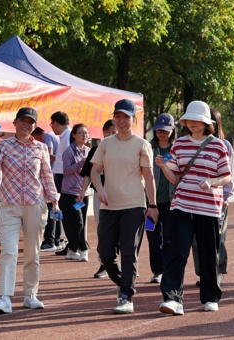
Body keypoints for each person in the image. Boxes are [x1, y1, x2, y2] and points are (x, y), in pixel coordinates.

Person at [156, 100, 231, 315]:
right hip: (182, 205)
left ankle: (210, 297)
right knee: (175, 252)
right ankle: (172, 299)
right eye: (189, 120)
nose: (193, 123)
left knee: (208, 254)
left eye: (197, 120)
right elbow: (175, 177)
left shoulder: (218, 145)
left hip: (208, 207)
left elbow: (226, 176)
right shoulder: (178, 145)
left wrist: (212, 182)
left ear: (206, 122)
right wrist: (163, 167)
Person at [0, 107, 59, 314]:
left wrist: (54, 201)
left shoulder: (41, 148)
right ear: (15, 123)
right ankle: (5, 297)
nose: (27, 124)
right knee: (8, 251)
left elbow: (46, 176)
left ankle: (30, 295)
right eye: (23, 121)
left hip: (35, 204)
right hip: (10, 205)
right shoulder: (4, 146)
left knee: (32, 252)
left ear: (35, 125)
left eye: (31, 122)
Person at [90, 99, 159, 314]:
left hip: (134, 206)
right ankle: (123, 282)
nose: (121, 121)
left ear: (133, 119)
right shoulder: (106, 143)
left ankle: (127, 296)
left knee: (128, 252)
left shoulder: (141, 144)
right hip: (109, 207)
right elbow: (94, 171)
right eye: (117, 116)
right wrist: (99, 189)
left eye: (126, 117)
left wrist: (153, 205)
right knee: (105, 253)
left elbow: (148, 177)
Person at [192, 108, 234, 283]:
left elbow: (229, 174)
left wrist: (225, 197)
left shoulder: (224, 145)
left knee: (218, 238)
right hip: (195, 200)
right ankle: (203, 273)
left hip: (217, 201)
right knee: (196, 240)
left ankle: (217, 271)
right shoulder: (191, 143)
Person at [78, 120, 116, 279]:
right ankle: (104, 264)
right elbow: (88, 173)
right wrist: (82, 190)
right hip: (100, 196)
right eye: (108, 131)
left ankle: (124, 263)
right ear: (103, 132)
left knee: (121, 231)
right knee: (102, 229)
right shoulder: (95, 150)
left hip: (122, 196)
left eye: (113, 131)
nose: (111, 134)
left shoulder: (125, 149)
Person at [148, 113, 176, 284]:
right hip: (150, 203)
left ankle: (168, 269)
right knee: (152, 237)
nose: (161, 133)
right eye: (158, 130)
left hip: (171, 203)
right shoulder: (148, 148)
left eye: (165, 130)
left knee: (169, 238)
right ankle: (157, 271)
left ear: (172, 131)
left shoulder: (177, 149)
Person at [60, 123, 91, 261]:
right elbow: (65, 171)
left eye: (86, 133)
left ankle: (72, 249)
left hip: (83, 192)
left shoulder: (89, 151)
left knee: (81, 222)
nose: (84, 135)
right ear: (73, 135)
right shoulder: (69, 151)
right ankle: (83, 249)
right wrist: (80, 164)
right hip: (69, 192)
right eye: (81, 133)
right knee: (75, 222)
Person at [42, 111, 70, 252]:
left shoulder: (67, 136)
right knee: (58, 208)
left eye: (51, 123)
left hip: (63, 177)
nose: (51, 126)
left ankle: (53, 240)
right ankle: (60, 240)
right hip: (60, 176)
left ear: (56, 123)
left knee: (57, 208)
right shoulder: (62, 137)